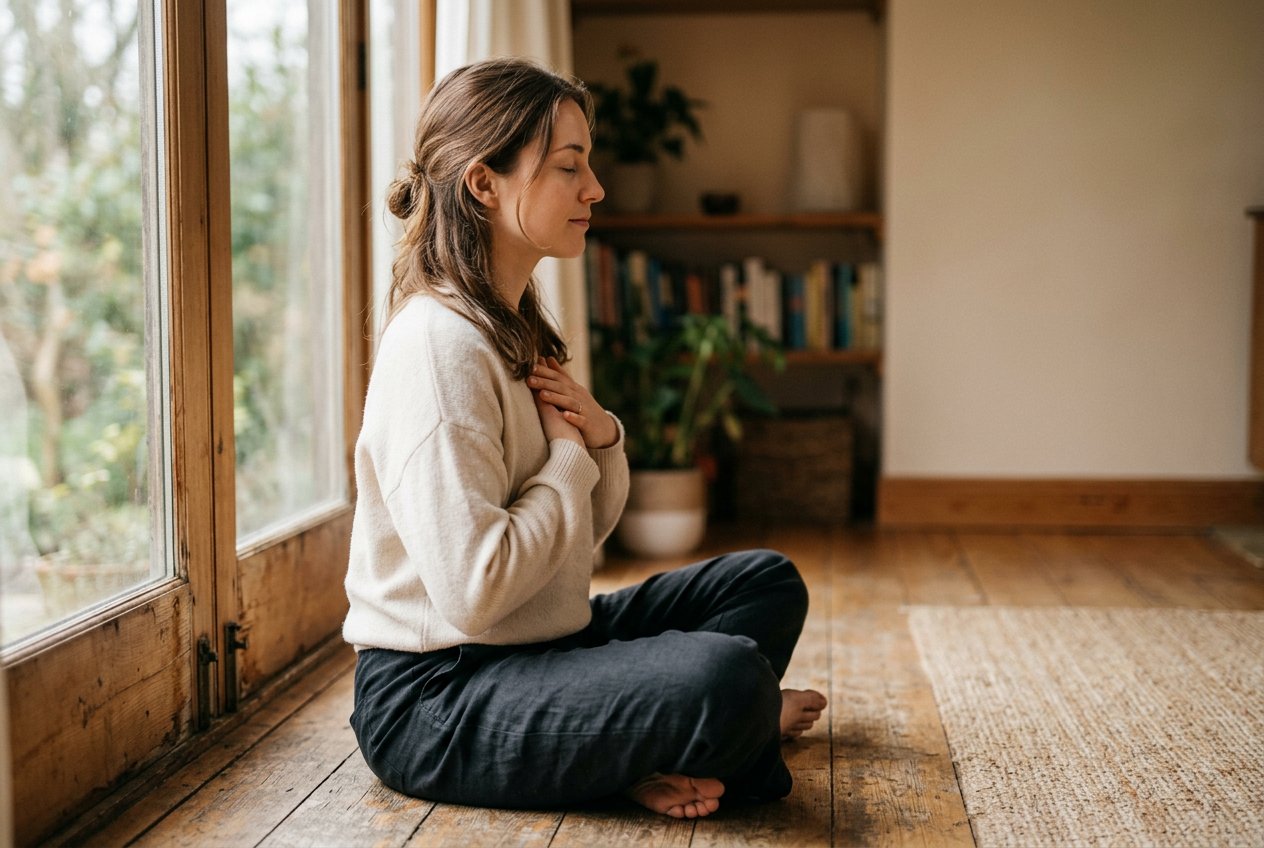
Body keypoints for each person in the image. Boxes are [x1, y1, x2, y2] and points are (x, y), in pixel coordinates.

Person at [343, 57, 826, 820]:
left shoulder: (514, 325)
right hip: (438, 697)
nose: (594, 188)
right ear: (483, 184)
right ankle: (696, 735)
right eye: (570, 167)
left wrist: (600, 439)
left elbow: (583, 539)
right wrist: (570, 460)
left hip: (543, 644)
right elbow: (473, 596)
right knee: (729, 677)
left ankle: (635, 747)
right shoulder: (439, 349)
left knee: (763, 583)